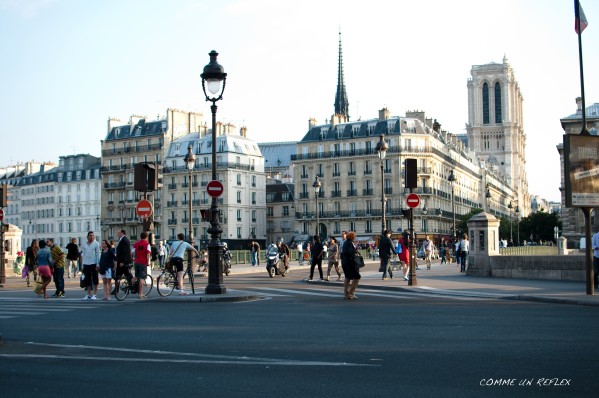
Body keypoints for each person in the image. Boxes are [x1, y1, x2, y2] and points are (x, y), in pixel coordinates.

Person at [80, 231, 101, 300]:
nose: (92, 237)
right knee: (87, 279)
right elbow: (83, 254)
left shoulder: (96, 244)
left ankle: (95, 294)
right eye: (90, 235)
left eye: (93, 235)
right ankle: (88, 294)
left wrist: (98, 264)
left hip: (93, 263)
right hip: (86, 263)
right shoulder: (84, 244)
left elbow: (98, 254)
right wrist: (82, 265)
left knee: (95, 279)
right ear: (88, 236)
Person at [340, 231, 360, 300]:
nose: (355, 238)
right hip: (350, 263)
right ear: (352, 237)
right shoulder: (349, 243)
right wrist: (354, 255)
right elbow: (349, 253)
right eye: (354, 237)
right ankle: (351, 293)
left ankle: (346, 294)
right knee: (357, 277)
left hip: (344, 262)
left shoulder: (346, 243)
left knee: (347, 277)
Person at [133, 231, 151, 299]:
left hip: (137, 261)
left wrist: (134, 259)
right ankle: (140, 294)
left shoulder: (136, 244)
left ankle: (131, 285)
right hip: (143, 262)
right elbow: (148, 254)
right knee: (142, 278)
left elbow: (132, 252)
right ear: (146, 237)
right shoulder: (147, 244)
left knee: (136, 276)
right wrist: (148, 262)